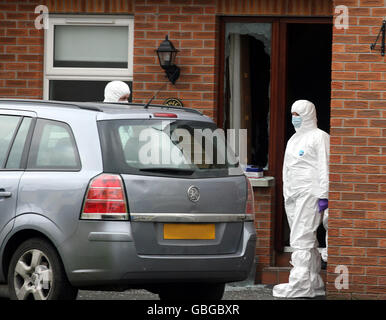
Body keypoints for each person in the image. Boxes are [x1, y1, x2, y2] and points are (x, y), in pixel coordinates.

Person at [273, 100, 330, 298]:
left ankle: (300, 284)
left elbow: (325, 166)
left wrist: (324, 195)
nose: (294, 118)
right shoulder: (294, 140)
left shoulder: (320, 137)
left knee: (300, 238)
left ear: (308, 114)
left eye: (298, 114)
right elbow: (287, 168)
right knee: (306, 238)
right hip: (293, 195)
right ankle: (313, 281)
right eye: (292, 114)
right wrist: (287, 193)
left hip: (310, 193)